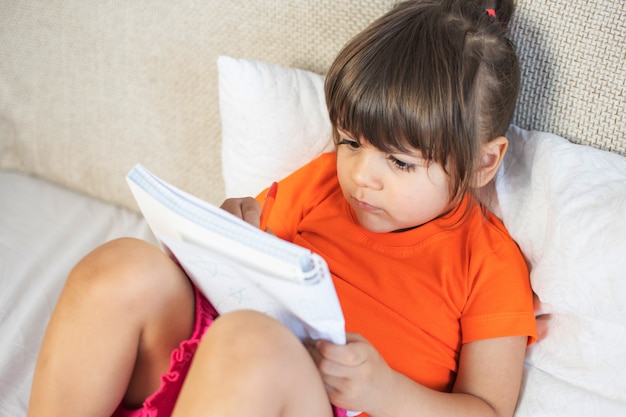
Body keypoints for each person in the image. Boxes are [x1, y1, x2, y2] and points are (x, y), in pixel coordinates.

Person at [28, 1, 536, 416]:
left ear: (482, 162)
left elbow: (488, 410)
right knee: (124, 267)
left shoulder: (488, 262)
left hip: (319, 397)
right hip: (220, 369)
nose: (361, 175)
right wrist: (226, 236)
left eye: (400, 163)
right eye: (351, 141)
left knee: (252, 343)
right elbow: (249, 271)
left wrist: (386, 392)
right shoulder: (322, 184)